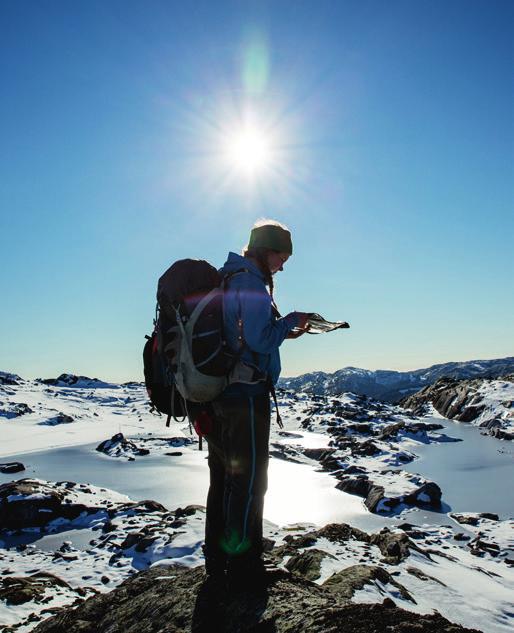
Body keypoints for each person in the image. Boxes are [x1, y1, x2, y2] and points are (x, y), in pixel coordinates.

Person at [201, 219, 310, 591]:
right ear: (267, 252)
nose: (283, 264)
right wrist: (291, 321)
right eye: (282, 257)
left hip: (220, 395)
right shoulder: (250, 282)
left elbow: (244, 335)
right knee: (249, 482)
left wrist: (281, 332)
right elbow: (260, 341)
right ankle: (244, 566)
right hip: (245, 396)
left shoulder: (229, 276)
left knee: (223, 480)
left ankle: (217, 561)